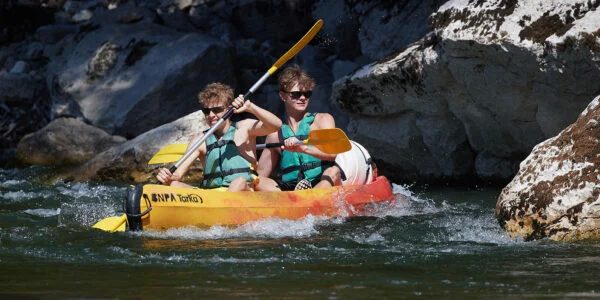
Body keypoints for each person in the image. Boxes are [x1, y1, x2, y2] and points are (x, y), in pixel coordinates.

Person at [156, 82, 282, 192]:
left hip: (243, 191)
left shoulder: (243, 128)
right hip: (213, 195)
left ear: (229, 109)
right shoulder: (200, 140)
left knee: (238, 182)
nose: (211, 115)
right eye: (206, 111)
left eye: (217, 110)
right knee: (174, 185)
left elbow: (276, 125)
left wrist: (251, 107)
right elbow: (178, 174)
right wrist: (168, 177)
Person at [257, 66, 343, 191]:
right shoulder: (275, 136)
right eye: (296, 94)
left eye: (307, 94)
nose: (302, 98)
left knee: (333, 171)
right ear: (282, 96)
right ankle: (293, 201)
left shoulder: (323, 120)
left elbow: (332, 154)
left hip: (321, 182)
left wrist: (303, 148)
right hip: (291, 189)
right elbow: (260, 174)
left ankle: (312, 197)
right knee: (256, 181)